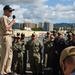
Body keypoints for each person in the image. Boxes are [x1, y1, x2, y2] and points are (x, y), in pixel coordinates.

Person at [0, 5, 15, 74]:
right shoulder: (3, 18)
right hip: (5, 37)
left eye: (11, 11)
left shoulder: (6, 18)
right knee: (5, 54)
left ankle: (7, 69)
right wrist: (12, 22)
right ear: (5, 11)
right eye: (9, 11)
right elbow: (6, 28)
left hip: (9, 37)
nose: (11, 12)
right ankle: (2, 70)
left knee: (10, 54)